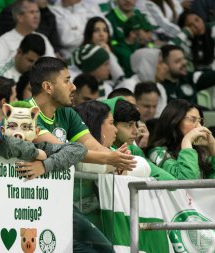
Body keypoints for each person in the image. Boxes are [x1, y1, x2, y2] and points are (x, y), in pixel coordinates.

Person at [28, 56, 136, 252]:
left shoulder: (67, 113)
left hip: (60, 200)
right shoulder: (26, 112)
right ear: (48, 87)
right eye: (67, 80)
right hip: (31, 200)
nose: (73, 87)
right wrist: (110, 158)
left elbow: (91, 145)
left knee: (102, 249)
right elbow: (62, 150)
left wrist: (117, 161)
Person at [0, 101, 87, 178]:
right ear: (3, 131)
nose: (18, 133)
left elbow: (79, 149)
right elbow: (9, 143)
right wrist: (36, 153)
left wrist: (44, 166)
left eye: (26, 127)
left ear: (36, 132)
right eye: (12, 126)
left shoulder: (42, 147)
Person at [147, 99, 215, 179]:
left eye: (200, 122)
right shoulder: (157, 153)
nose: (199, 127)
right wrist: (187, 141)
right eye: (192, 120)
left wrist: (213, 146)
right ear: (175, 121)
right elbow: (187, 181)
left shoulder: (200, 152)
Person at [0, 0, 55, 67]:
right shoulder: (5, 40)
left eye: (37, 12)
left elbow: (55, 65)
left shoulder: (42, 38)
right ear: (19, 17)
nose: (36, 16)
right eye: (32, 12)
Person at [116, 48, 168, 117]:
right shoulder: (128, 86)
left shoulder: (160, 88)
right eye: (160, 63)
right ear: (147, 65)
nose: (166, 67)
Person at [112, 13, 158, 77]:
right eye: (146, 31)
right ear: (133, 33)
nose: (150, 36)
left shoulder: (139, 45)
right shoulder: (123, 52)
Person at [82, 16, 125, 81]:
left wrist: (109, 54)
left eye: (105, 30)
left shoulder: (111, 50)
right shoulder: (82, 54)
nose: (101, 34)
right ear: (89, 34)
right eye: (96, 30)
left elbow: (120, 77)